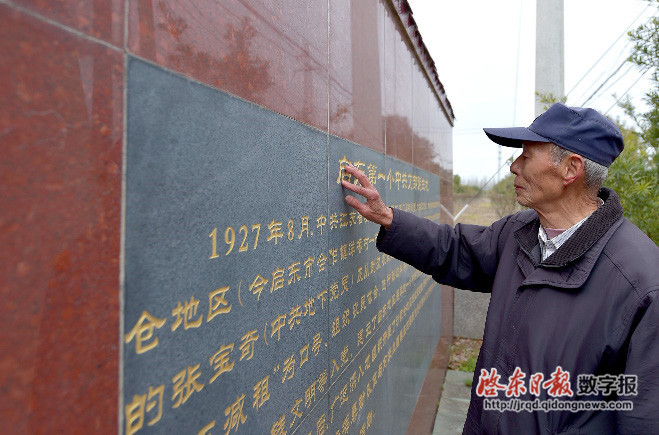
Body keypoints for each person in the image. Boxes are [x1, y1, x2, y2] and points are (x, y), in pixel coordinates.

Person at [341, 103, 658, 434]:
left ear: (570, 169)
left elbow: (644, 419)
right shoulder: (519, 232)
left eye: (526, 156)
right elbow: (455, 251)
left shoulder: (641, 282)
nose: (513, 166)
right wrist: (389, 218)